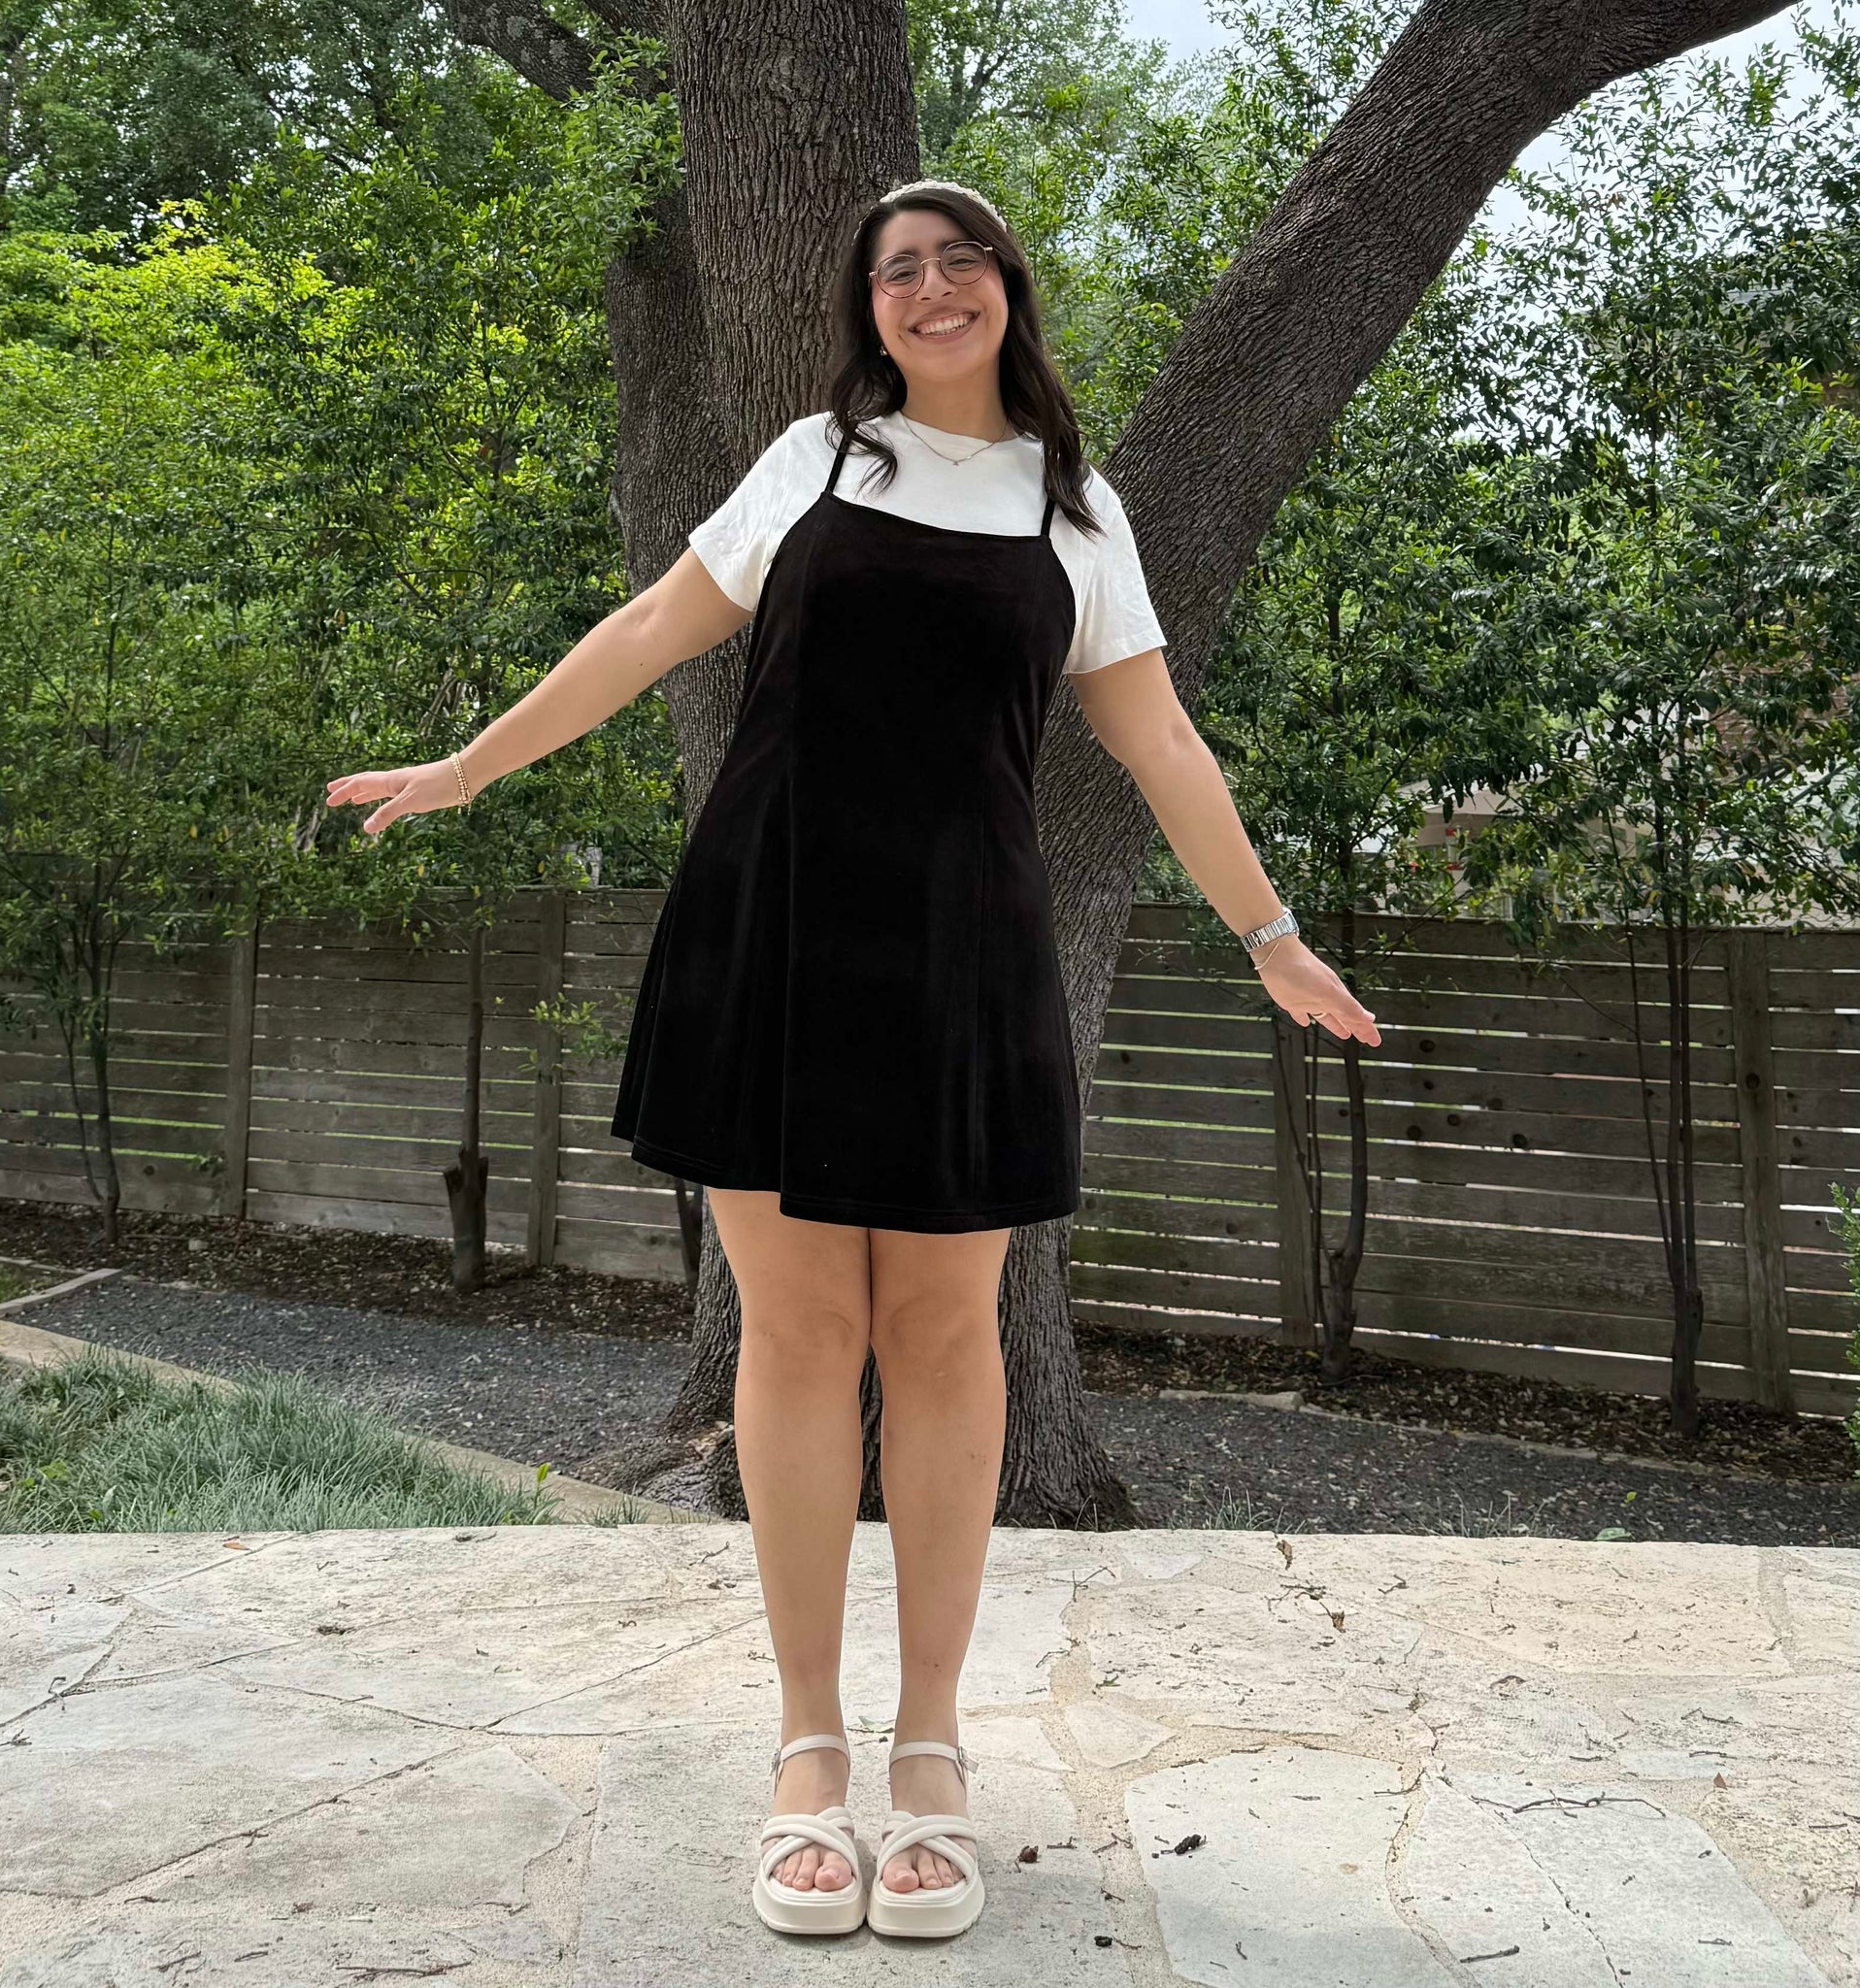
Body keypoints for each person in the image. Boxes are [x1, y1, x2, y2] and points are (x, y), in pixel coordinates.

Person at [326, 177, 1379, 1941]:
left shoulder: (1076, 508)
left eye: (958, 259)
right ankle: (808, 1751)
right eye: (897, 270)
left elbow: (1163, 744)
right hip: (776, 928)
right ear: (868, 309)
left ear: (1006, 288)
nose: (930, 287)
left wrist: (1270, 935)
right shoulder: (814, 461)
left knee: (948, 1336)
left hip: (965, 955)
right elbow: (646, 633)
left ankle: (933, 1751)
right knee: (802, 1333)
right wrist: (466, 767)